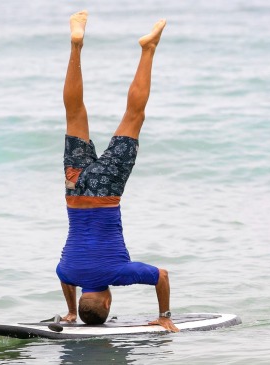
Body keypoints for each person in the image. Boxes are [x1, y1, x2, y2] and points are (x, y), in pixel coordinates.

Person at [55, 10, 179, 332]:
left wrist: (164, 316)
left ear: (108, 301)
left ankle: (148, 49)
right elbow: (64, 278)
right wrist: (70, 311)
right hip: (76, 189)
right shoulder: (68, 271)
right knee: (74, 113)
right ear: (82, 296)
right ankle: (76, 46)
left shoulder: (118, 274)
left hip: (107, 191)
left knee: (134, 114)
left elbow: (161, 276)